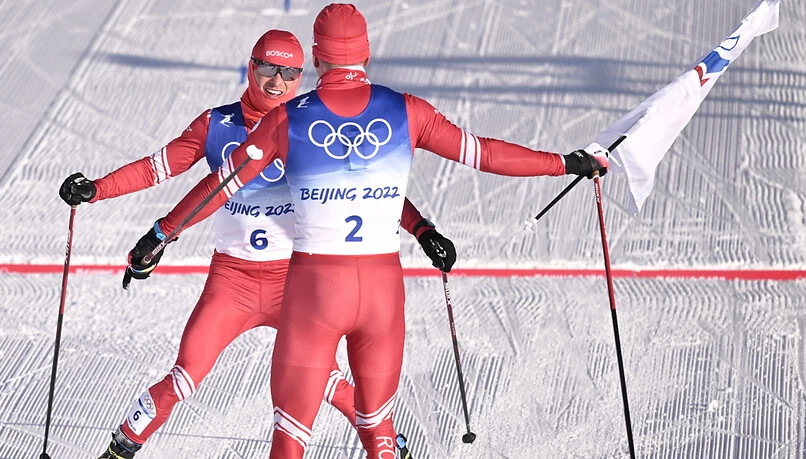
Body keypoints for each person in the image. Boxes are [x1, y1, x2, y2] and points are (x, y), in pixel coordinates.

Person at [125, 4, 608, 457]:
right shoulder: (408, 110)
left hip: (316, 292)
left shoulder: (286, 120)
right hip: (381, 293)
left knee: (291, 436)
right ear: (367, 53)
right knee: (376, 426)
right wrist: (565, 162)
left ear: (314, 59)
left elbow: (219, 187)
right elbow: (484, 153)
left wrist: (161, 233)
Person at [58, 29, 455, 459]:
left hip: (297, 285)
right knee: (186, 372)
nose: (277, 82)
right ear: (251, 67)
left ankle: (387, 443)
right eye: (268, 68)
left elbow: (371, 189)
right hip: (233, 281)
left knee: (326, 381)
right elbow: (158, 168)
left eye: (289, 73)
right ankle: (121, 447)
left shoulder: (307, 124)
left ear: (302, 77)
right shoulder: (217, 124)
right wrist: (96, 190)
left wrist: (422, 229)